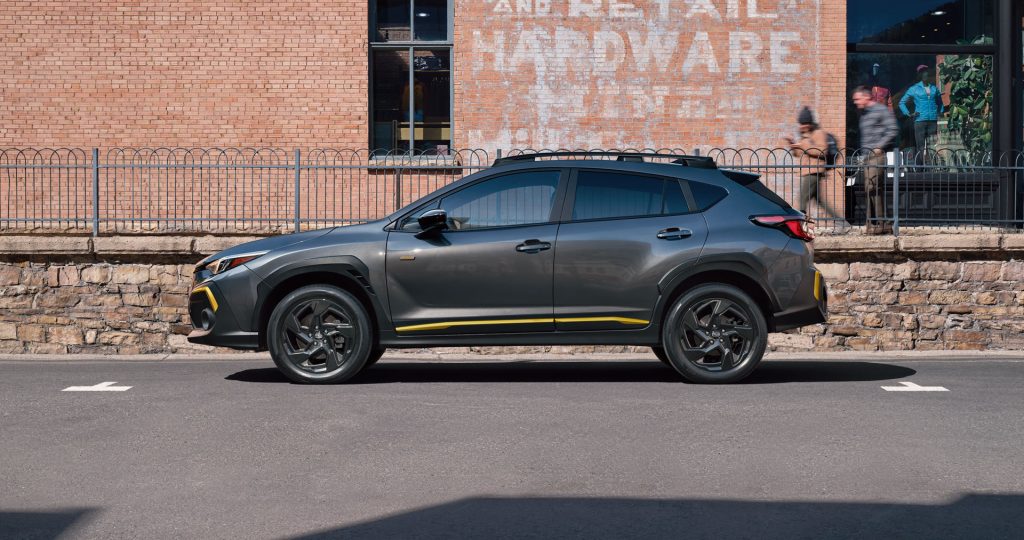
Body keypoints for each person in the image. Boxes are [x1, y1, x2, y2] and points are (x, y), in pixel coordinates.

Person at [783, 107, 842, 224]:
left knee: (801, 200)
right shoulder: (805, 136)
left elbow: (822, 151)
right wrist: (793, 144)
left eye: (804, 124)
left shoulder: (818, 133)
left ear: (810, 123)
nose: (802, 126)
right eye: (801, 124)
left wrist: (803, 144)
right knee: (820, 201)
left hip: (814, 172)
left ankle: (799, 226)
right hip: (807, 171)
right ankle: (841, 222)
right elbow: (799, 154)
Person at [852, 86, 898, 235]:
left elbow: (893, 129)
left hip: (877, 157)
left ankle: (883, 223)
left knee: (873, 188)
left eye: (857, 99)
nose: (855, 102)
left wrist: (880, 146)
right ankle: (873, 224)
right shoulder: (863, 114)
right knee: (869, 190)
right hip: (866, 157)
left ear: (866, 97)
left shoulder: (881, 110)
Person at [898, 65, 943, 158]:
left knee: (932, 146)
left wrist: (940, 112)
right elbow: (901, 103)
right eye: (922, 72)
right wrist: (909, 114)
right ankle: (920, 169)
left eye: (926, 71)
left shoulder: (934, 88)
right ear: (919, 75)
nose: (925, 74)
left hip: (933, 121)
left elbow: (940, 102)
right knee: (920, 147)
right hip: (920, 121)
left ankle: (931, 169)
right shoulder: (914, 88)